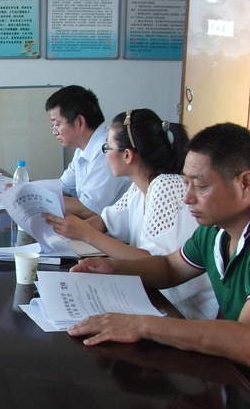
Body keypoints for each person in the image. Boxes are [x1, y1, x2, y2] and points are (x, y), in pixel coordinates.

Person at [68, 123, 250, 395]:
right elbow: (171, 267)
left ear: (245, 183)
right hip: (239, 377)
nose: (187, 198)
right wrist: (114, 268)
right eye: (186, 183)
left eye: (201, 187)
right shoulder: (217, 227)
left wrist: (141, 325)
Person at [43, 109, 218, 320]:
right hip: (159, 295)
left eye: (108, 148)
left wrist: (86, 234)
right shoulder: (139, 187)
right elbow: (106, 221)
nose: (106, 154)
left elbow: (154, 264)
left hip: (188, 310)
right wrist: (64, 229)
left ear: (127, 155)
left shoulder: (166, 186)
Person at [45, 85, 130, 218]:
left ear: (79, 122)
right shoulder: (82, 148)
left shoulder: (107, 148)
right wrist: (22, 189)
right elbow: (63, 189)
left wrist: (37, 200)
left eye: (57, 124)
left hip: (118, 229)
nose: (54, 132)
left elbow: (89, 208)